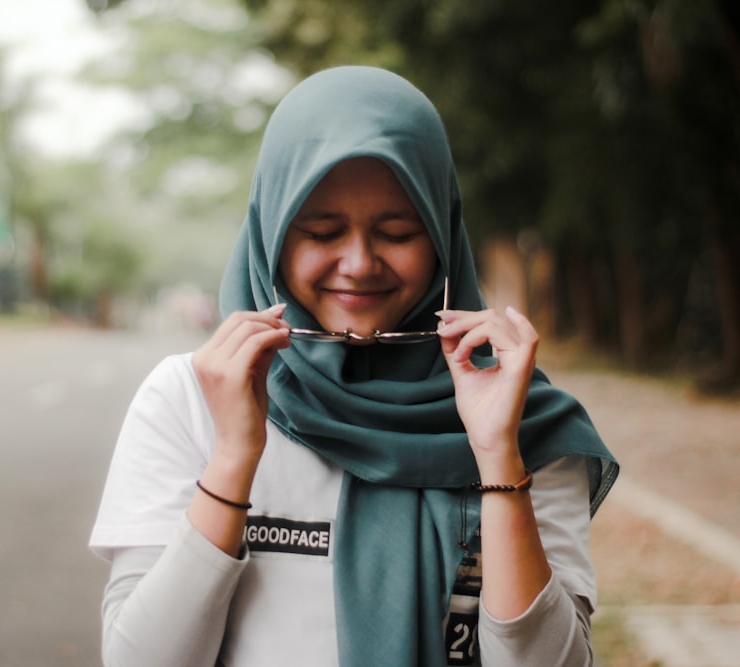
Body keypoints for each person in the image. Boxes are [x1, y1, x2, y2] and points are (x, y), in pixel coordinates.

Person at [89, 66, 618, 666]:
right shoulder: (188, 399)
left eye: (397, 232)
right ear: (272, 233)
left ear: (443, 235)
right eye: (322, 231)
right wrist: (234, 458)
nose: (360, 263)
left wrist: (497, 454)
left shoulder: (521, 418)